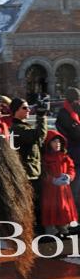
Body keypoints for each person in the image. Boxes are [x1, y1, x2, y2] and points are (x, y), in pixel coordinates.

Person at [10, 97, 48, 233]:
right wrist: (41, 116)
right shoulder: (16, 129)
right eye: (24, 108)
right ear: (15, 111)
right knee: (30, 206)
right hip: (26, 175)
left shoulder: (25, 126)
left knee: (37, 206)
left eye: (28, 107)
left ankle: (37, 232)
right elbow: (39, 136)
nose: (28, 110)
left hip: (34, 173)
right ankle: (32, 233)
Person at [41, 130, 78, 237]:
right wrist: (52, 180)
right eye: (54, 142)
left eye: (59, 142)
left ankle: (64, 228)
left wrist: (69, 177)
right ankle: (51, 231)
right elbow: (44, 173)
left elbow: (71, 169)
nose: (57, 144)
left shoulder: (65, 157)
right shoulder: (45, 158)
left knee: (64, 209)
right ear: (48, 143)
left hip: (64, 190)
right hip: (50, 191)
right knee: (51, 210)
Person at [56, 87, 80, 215]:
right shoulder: (64, 113)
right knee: (75, 190)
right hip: (73, 156)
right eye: (76, 99)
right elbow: (75, 134)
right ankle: (73, 216)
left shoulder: (75, 111)